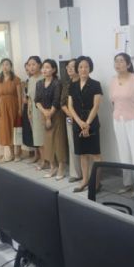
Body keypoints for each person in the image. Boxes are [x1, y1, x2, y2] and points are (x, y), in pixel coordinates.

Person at [109, 52, 134, 192]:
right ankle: (128, 183)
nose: (118, 64)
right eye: (116, 61)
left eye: (121, 61)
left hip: (133, 119)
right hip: (118, 119)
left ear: (128, 64)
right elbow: (113, 101)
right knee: (123, 151)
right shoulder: (113, 80)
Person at [68, 56, 103, 192]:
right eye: (81, 67)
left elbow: (96, 106)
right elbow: (70, 106)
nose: (83, 69)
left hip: (91, 121)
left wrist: (87, 123)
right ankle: (85, 180)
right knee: (82, 153)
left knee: (95, 153)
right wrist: (80, 123)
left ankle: (97, 182)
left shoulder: (95, 84)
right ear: (77, 69)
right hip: (78, 122)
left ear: (90, 68)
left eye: (86, 67)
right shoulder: (73, 85)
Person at [35, 59, 68, 179]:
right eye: (43, 67)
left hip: (56, 114)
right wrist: (45, 113)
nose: (44, 70)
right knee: (48, 142)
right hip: (44, 113)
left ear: (54, 70)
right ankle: (52, 167)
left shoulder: (57, 83)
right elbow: (37, 100)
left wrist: (50, 114)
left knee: (59, 141)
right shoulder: (39, 83)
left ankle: (61, 167)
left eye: (48, 67)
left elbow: (56, 100)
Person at [0, 58, 22, 162]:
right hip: (3, 108)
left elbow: (19, 96)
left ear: (11, 66)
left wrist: (20, 108)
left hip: (14, 106)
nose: (5, 67)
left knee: (15, 130)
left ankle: (18, 154)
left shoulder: (16, 79)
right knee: (6, 130)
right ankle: (11, 154)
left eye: (7, 64)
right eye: (3, 65)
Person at [60, 59, 83, 183]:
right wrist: (72, 116)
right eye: (68, 66)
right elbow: (62, 103)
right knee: (72, 145)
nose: (69, 68)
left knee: (85, 146)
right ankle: (75, 173)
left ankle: (88, 173)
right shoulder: (67, 84)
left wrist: (78, 118)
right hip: (70, 118)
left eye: (73, 66)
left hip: (84, 118)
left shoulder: (83, 82)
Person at [27, 56, 46, 169]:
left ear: (39, 65)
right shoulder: (30, 80)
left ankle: (49, 160)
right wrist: (29, 111)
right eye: (29, 65)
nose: (31, 67)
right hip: (34, 111)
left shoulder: (44, 78)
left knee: (45, 137)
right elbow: (30, 98)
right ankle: (43, 160)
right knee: (38, 137)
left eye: (34, 64)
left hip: (44, 110)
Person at [21, 60, 36, 161]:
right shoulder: (26, 82)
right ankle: (34, 153)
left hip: (35, 107)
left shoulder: (37, 80)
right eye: (26, 70)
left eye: (30, 68)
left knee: (35, 132)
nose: (29, 71)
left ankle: (39, 155)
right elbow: (24, 98)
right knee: (29, 131)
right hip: (27, 108)